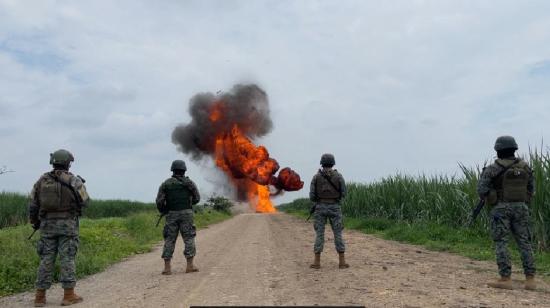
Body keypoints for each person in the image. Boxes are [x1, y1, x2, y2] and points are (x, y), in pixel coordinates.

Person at [28, 149, 89, 306]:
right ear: (68, 163)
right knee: (67, 258)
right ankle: (68, 295)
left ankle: (39, 297)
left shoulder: (42, 180)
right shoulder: (73, 180)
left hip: (47, 226)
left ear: (53, 162)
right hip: (68, 227)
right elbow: (86, 201)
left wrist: (35, 222)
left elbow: (33, 204)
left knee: (45, 259)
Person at [477, 136, 536, 290]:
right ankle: (530, 280)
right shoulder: (525, 167)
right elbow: (531, 190)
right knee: (524, 242)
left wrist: (493, 197)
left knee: (501, 242)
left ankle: (505, 279)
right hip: (521, 208)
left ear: (497, 151)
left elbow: (482, 190)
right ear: (514, 149)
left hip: (501, 209)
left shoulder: (493, 168)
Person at [156, 159, 201, 275]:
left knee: (170, 239)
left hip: (171, 214)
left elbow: (159, 201)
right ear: (184, 170)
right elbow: (197, 198)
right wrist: (188, 204)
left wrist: (164, 210)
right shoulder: (189, 183)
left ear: (173, 169)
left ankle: (167, 268)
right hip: (187, 214)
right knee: (189, 238)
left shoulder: (166, 184)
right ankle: (190, 266)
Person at [308, 153, 349, 269]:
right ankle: (342, 262)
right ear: (333, 163)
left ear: (322, 163)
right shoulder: (339, 176)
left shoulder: (316, 177)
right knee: (338, 233)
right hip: (335, 207)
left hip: (320, 207)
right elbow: (344, 193)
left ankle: (317, 262)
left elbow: (312, 196)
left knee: (319, 234)